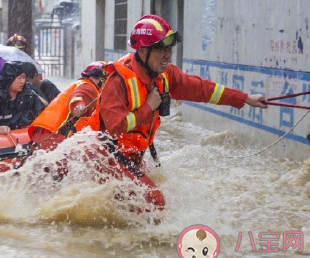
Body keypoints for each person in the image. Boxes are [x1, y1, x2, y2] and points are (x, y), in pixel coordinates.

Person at [94, 14, 268, 209]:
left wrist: (244, 98)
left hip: (132, 158)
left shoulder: (164, 74)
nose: (168, 55)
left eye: (169, 48)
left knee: (144, 202)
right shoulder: (118, 81)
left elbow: (201, 89)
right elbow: (115, 126)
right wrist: (148, 108)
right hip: (108, 157)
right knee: (156, 202)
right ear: (143, 51)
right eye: (161, 49)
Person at [28, 61, 110, 151]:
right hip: (57, 138)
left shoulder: (79, 84)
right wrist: (78, 106)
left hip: (43, 134)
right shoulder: (90, 87)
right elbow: (77, 96)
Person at [0, 61, 45, 130]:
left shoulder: (29, 95)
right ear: (10, 79)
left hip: (27, 137)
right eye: (19, 78)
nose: (22, 81)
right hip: (5, 139)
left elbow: (42, 114)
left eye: (24, 77)